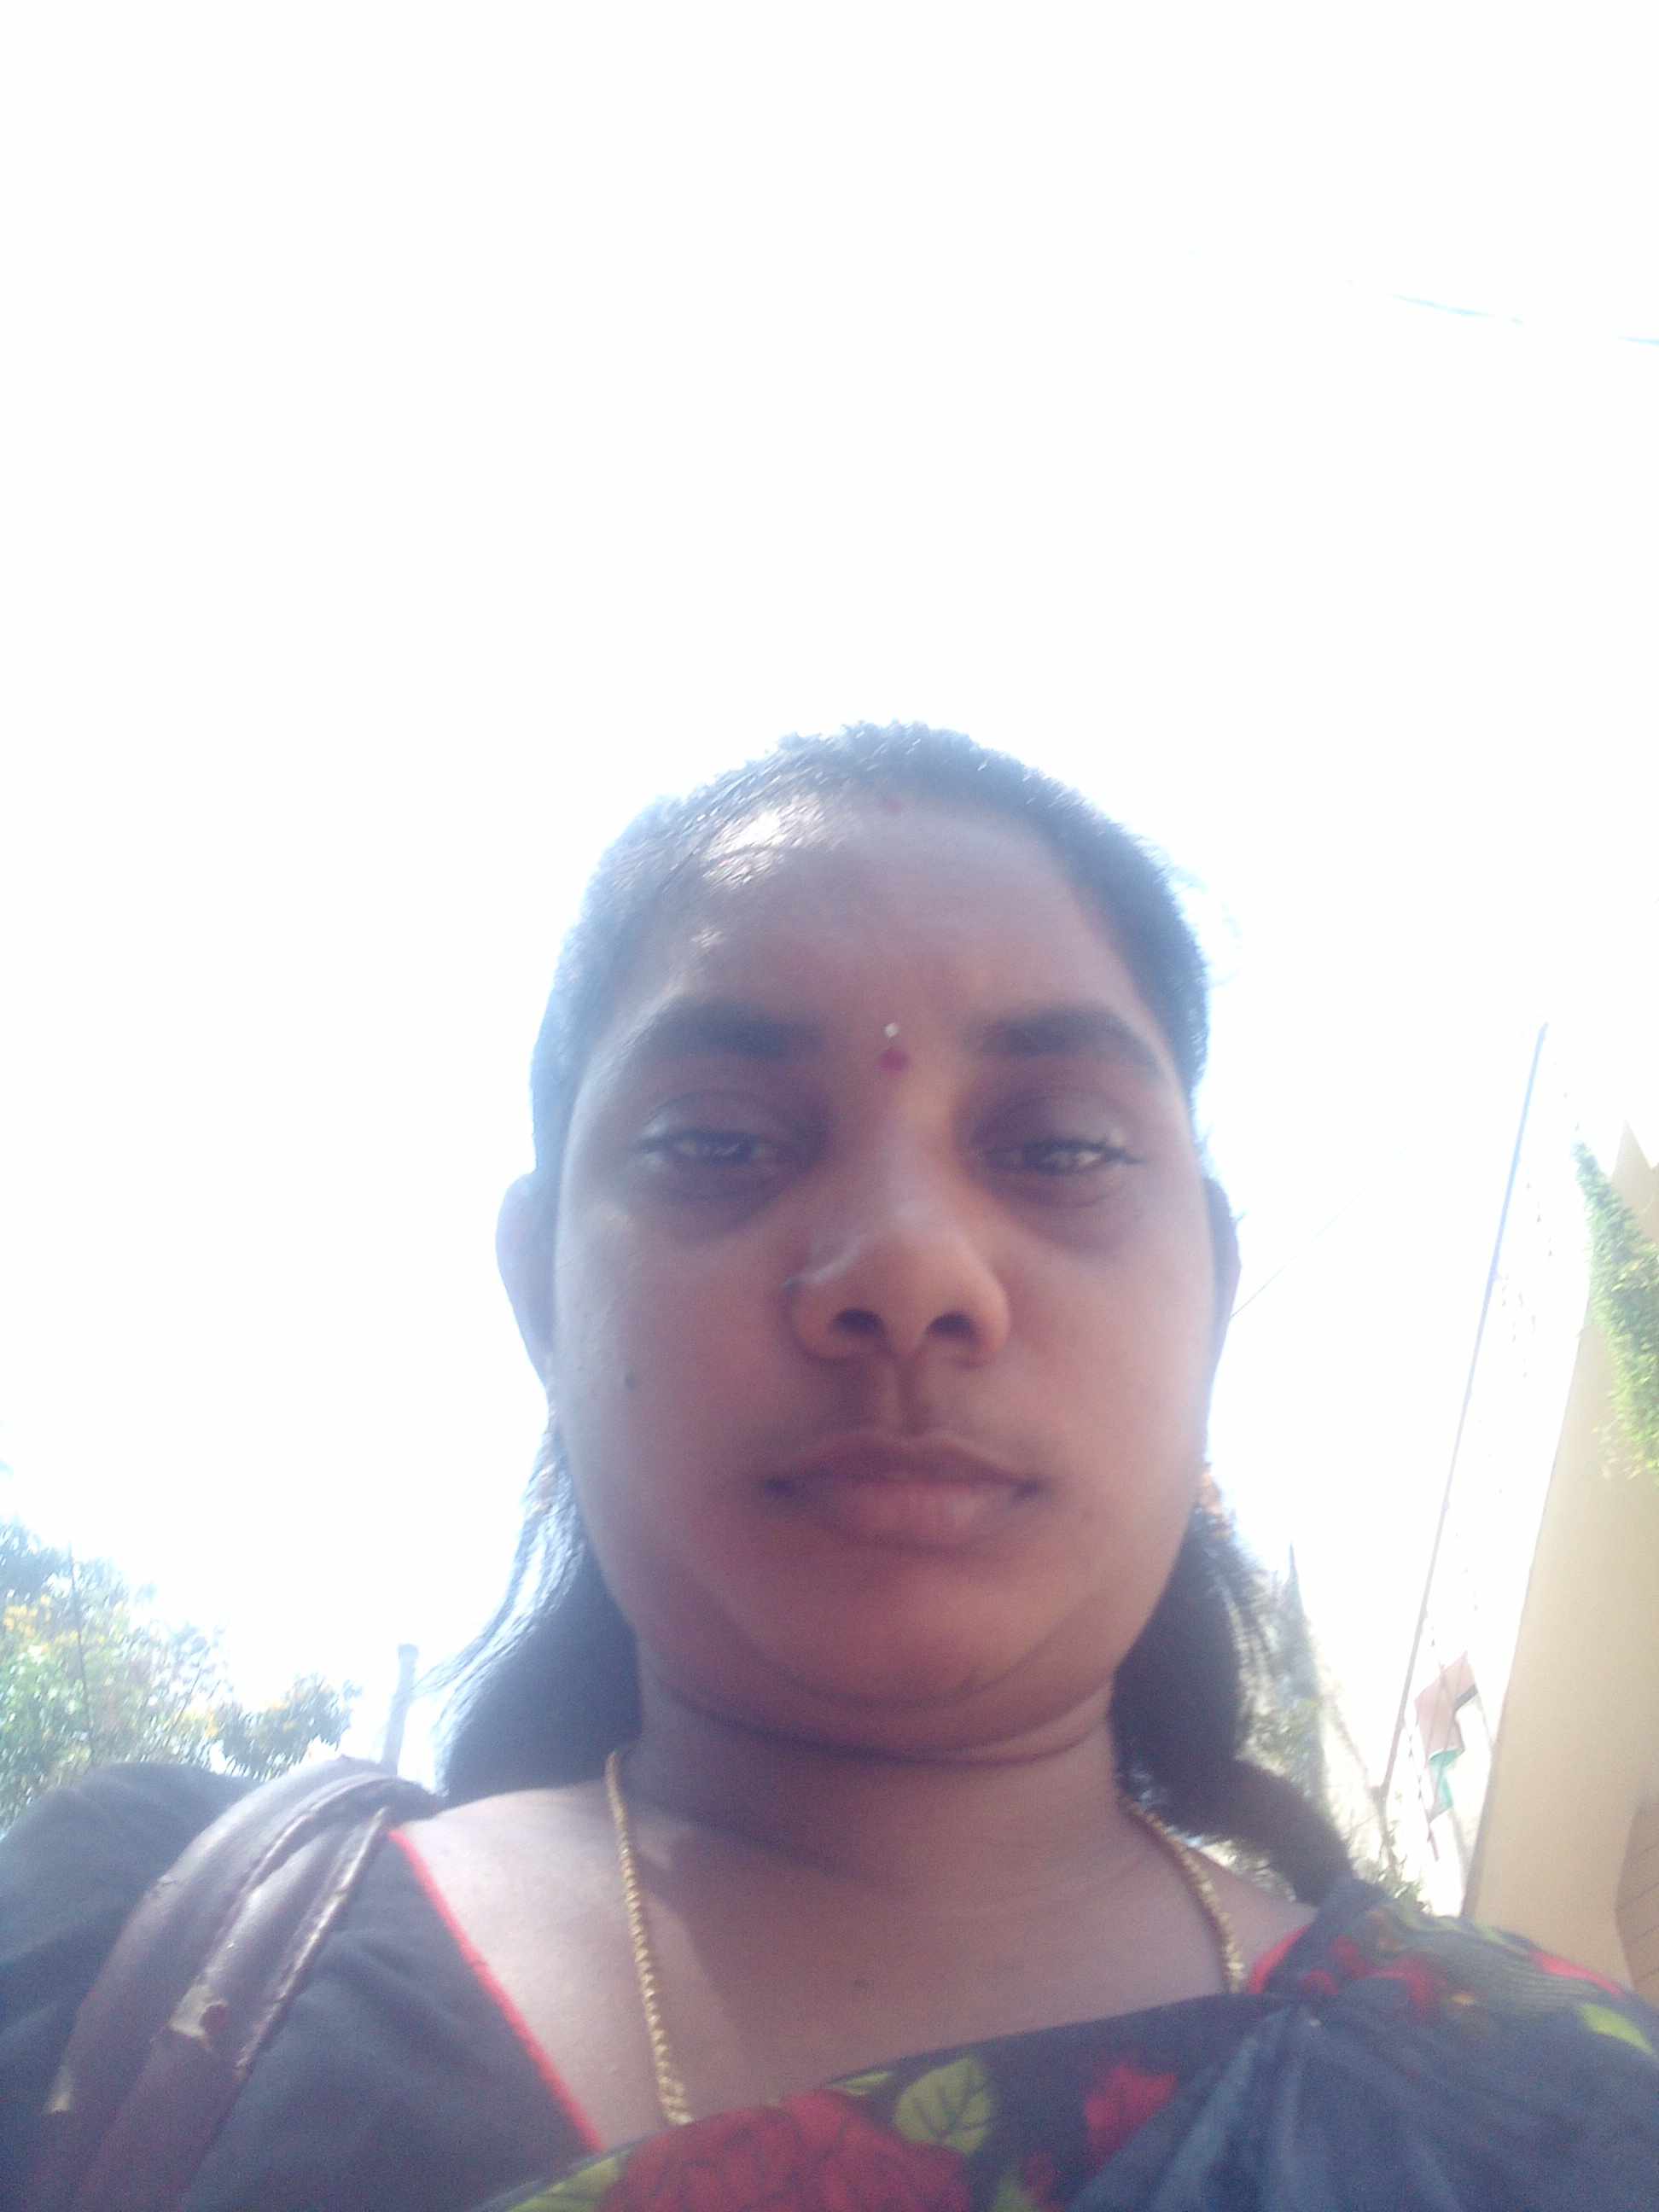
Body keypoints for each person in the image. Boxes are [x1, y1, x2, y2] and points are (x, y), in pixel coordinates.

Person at [3, 723, 1656, 2212]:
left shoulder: (1556, 2117)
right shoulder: (141, 1971)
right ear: (539, 1293)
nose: (911, 1267)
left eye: (1060, 1148)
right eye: (719, 1142)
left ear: (1213, 1289)